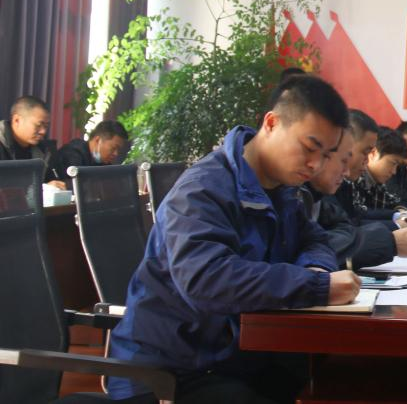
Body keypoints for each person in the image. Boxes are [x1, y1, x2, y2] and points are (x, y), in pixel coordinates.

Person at [106, 75, 361, 402]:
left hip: (232, 355)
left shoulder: (282, 190)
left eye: (326, 155)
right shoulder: (203, 190)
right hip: (171, 372)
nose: (315, 164)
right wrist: (314, 286)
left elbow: (315, 241)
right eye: (309, 148)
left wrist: (316, 270)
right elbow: (207, 280)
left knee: (330, 371)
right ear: (271, 123)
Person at [303, 110, 407, 269]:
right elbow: (312, 248)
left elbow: (349, 225)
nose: (346, 171)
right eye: (343, 158)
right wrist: (391, 240)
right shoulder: (295, 194)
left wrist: (398, 225)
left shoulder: (320, 193)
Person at [45, 120, 129, 187]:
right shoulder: (73, 153)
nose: (116, 153)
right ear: (97, 140)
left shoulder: (103, 162)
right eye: (114, 148)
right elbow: (79, 185)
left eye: (118, 150)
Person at [1, 96, 57, 182]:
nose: (43, 131)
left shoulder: (44, 151)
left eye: (46, 126)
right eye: (38, 125)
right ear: (17, 120)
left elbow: (50, 180)